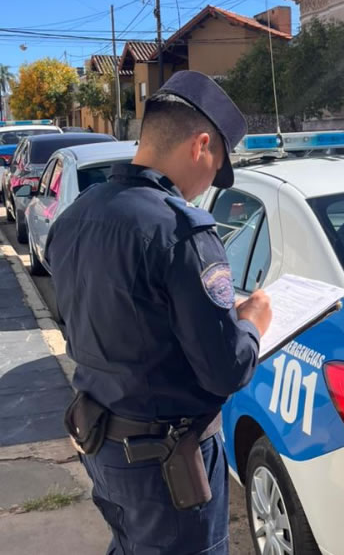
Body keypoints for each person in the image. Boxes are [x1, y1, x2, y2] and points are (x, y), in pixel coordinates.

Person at [46, 70, 273, 554]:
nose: (212, 181)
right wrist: (253, 319)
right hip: (167, 462)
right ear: (201, 146)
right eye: (217, 167)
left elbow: (98, 320)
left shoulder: (77, 217)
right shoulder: (182, 231)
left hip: (102, 443)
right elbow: (225, 369)